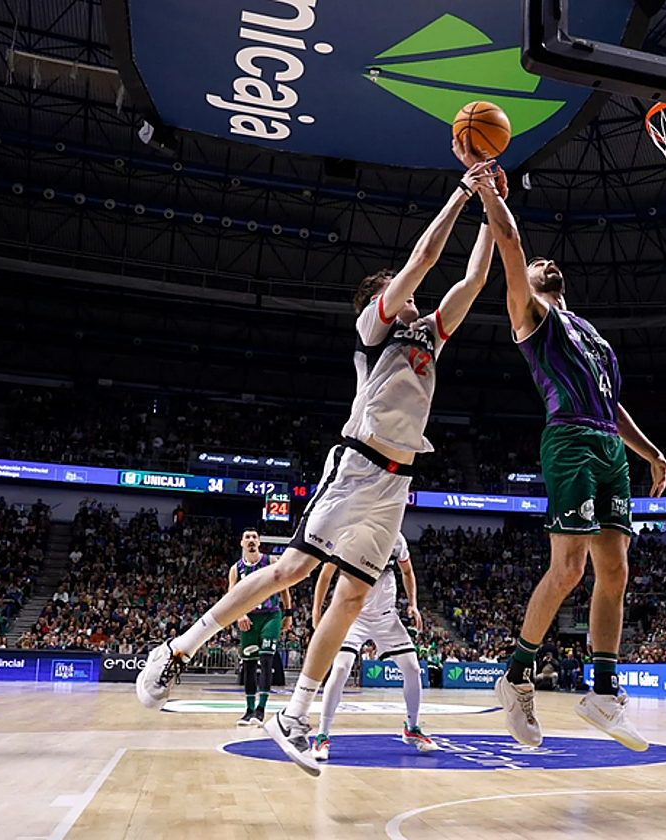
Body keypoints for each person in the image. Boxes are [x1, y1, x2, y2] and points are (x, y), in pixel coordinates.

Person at [135, 150, 497, 777]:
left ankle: (294, 716)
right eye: (395, 289)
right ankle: (177, 649)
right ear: (380, 299)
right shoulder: (373, 327)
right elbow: (425, 262)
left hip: (397, 484)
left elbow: (471, 284)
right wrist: (463, 195)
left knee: (354, 595)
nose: (406, 293)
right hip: (357, 465)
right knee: (291, 570)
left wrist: (495, 205)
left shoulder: (429, 335)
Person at [475, 167, 666, 750]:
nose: (546, 262)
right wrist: (489, 191)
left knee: (615, 570)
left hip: (610, 446)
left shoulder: (592, 333)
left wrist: (653, 453)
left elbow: (613, 407)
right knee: (570, 569)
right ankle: (515, 678)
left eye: (548, 264)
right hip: (568, 441)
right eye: (539, 264)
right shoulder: (529, 315)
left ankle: (604, 692)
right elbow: (511, 245)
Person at [309, 531, 437, 761]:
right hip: (353, 616)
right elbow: (325, 575)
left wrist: (413, 604)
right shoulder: (348, 535)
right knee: (339, 669)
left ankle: (412, 727)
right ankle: (322, 735)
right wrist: (316, 614)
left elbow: (407, 571)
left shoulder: (397, 538)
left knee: (412, 668)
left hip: (386, 618)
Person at [229, 529, 292, 727]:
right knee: (248, 665)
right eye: (247, 537)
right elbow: (232, 597)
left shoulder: (271, 561)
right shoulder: (236, 569)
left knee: (266, 660)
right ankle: (248, 710)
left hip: (270, 615)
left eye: (254, 537)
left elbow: (284, 589)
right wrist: (239, 614)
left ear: (259, 542)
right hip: (249, 619)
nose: (251, 540)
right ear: (242, 543)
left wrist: (288, 615)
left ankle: (261, 710)